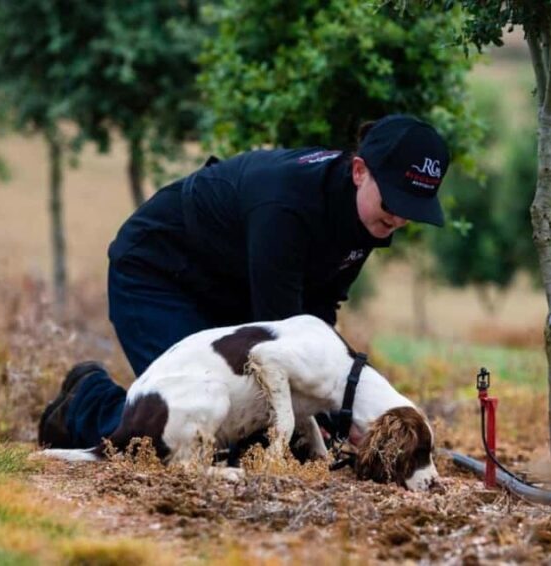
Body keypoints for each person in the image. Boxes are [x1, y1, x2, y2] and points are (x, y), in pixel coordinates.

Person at [38, 114, 450, 450]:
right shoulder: (287, 206)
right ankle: (85, 402)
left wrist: (336, 417)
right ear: (359, 171)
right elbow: (284, 328)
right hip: (156, 274)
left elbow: (318, 314)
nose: (399, 218)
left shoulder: (365, 217)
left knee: (251, 436)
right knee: (186, 432)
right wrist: (331, 415)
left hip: (229, 290)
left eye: (412, 209)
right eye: (393, 201)